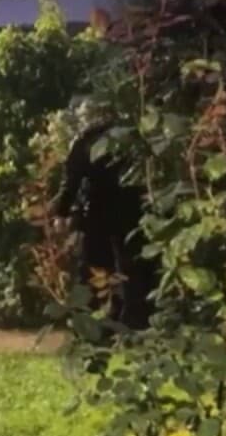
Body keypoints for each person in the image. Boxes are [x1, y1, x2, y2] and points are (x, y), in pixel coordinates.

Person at [53, 103, 156, 330]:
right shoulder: (130, 137)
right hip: (131, 209)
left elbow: (71, 180)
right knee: (132, 266)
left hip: (98, 211)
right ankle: (136, 321)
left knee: (95, 267)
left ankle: (95, 322)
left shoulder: (84, 141)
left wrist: (61, 212)